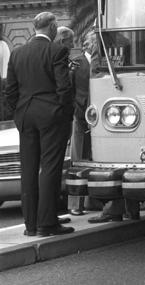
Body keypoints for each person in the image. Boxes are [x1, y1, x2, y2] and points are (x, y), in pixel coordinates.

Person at [4, 12, 75, 236]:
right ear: (52, 28)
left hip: (26, 116)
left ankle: (31, 225)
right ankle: (47, 223)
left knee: (29, 170)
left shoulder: (17, 53)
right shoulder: (57, 50)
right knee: (50, 168)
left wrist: (19, 112)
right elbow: (64, 88)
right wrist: (63, 113)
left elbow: (11, 92)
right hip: (51, 115)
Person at [55, 27, 98, 216]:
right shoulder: (77, 63)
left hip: (102, 118)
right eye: (97, 40)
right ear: (87, 44)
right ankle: (75, 204)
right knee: (78, 159)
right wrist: (74, 109)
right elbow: (68, 89)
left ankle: (95, 200)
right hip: (80, 116)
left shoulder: (105, 62)